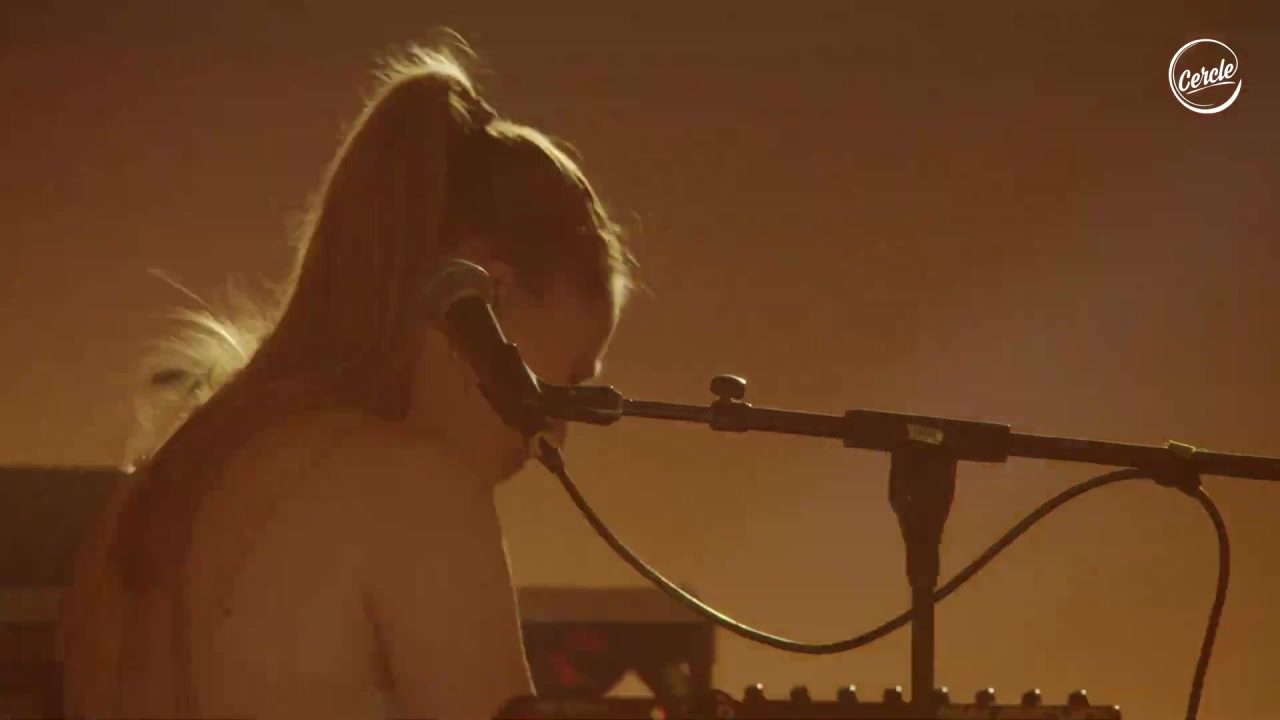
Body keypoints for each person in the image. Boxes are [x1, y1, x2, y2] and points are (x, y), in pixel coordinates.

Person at [60, 38, 637, 720]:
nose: (556, 433)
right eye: (564, 380)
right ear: (488, 298)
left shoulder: (142, 502)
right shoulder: (418, 494)